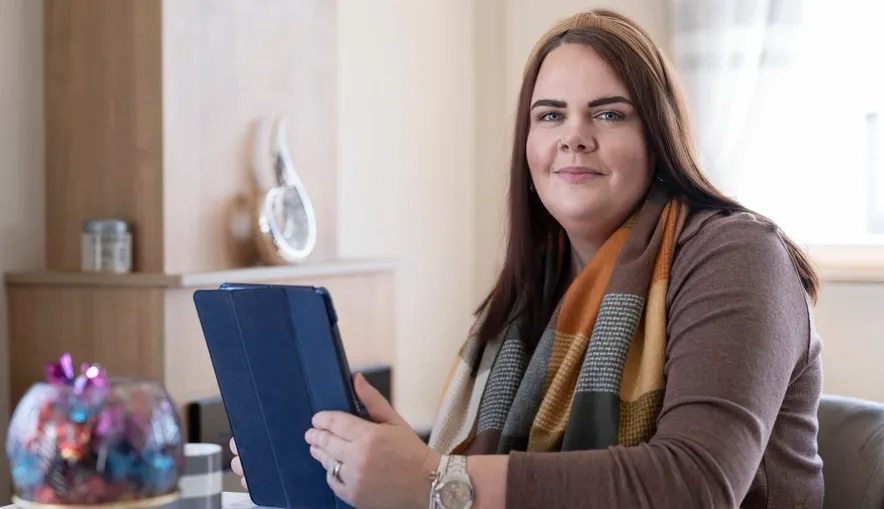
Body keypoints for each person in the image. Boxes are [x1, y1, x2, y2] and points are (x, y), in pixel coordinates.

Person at [230, 9, 824, 508]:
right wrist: (371, 458)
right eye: (550, 115)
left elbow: (695, 483)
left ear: (658, 137)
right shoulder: (535, 289)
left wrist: (436, 482)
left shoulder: (739, 255)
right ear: (528, 146)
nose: (574, 135)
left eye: (609, 113)